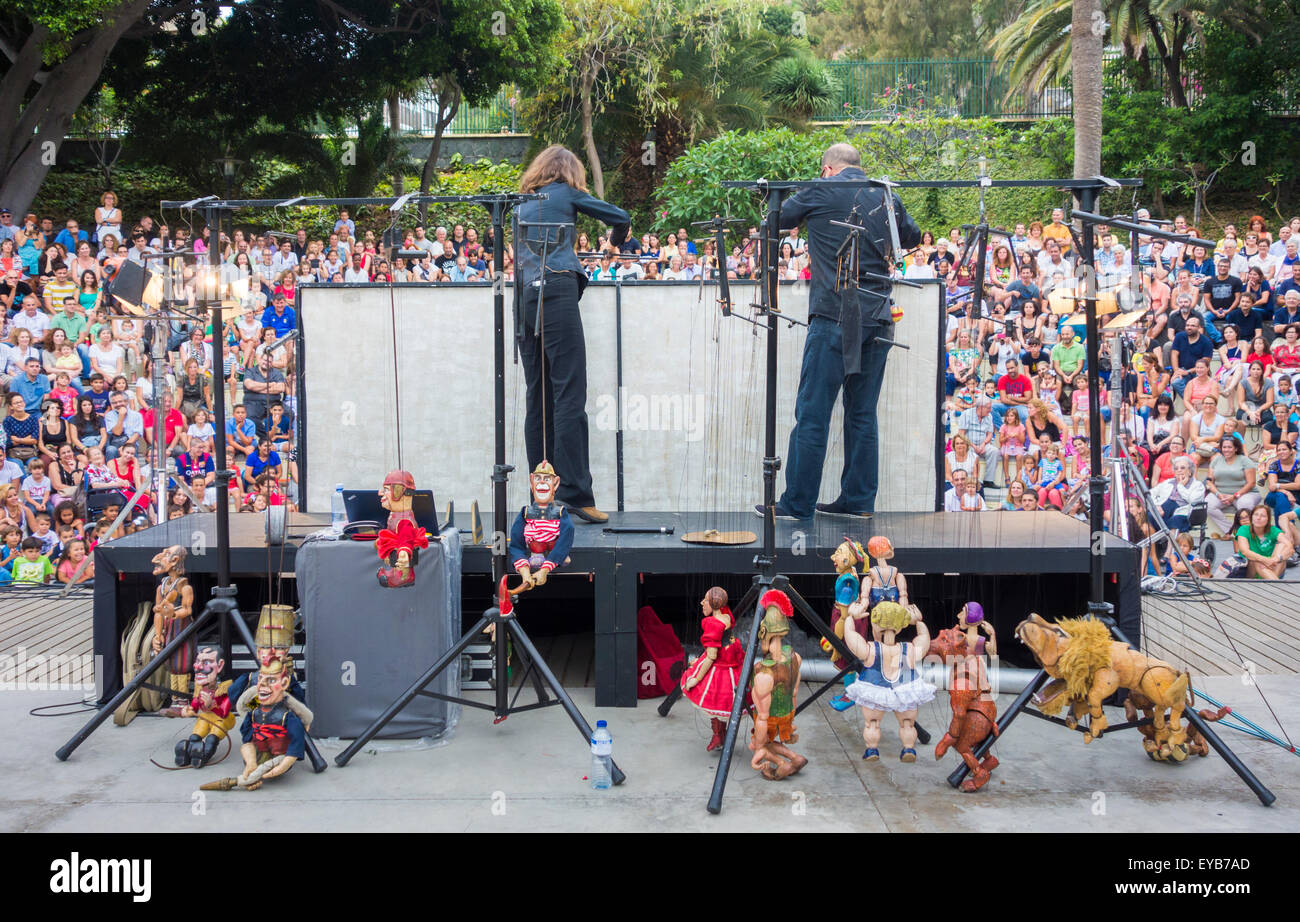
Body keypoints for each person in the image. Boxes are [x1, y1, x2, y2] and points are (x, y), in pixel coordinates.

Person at [768, 143, 921, 520]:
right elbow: (913, 237)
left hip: (834, 315)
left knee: (813, 413)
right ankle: (857, 502)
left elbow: (774, 219)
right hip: (880, 315)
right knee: (862, 414)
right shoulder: (884, 192)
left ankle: (797, 504)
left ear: (828, 168)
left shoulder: (823, 189)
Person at [513, 146, 630, 524]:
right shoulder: (568, 192)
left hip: (524, 297)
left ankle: (542, 492)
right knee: (568, 394)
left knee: (538, 395)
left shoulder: (520, 202)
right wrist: (614, 242)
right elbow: (620, 216)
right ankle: (576, 493)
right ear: (569, 171)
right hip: (558, 290)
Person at [1235, 504, 1294, 580]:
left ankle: (1272, 582)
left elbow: (1290, 546)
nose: (1258, 518)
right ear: (1251, 517)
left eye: (1263, 516)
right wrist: (1264, 560)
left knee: (1283, 545)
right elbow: (1245, 551)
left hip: (1272, 567)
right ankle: (1275, 584)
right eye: (1256, 515)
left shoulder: (1273, 530)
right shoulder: (1244, 529)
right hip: (1251, 570)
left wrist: (1276, 559)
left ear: (1268, 519)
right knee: (1256, 560)